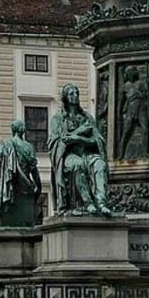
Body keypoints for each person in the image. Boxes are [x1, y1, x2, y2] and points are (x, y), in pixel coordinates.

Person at [47, 84, 111, 215]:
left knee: (100, 164)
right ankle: (88, 203)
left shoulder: (87, 118)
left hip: (88, 153)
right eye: (71, 94)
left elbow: (98, 140)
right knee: (77, 165)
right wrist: (78, 133)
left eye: (77, 93)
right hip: (69, 155)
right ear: (65, 97)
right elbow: (56, 142)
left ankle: (101, 202)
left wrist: (79, 139)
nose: (75, 96)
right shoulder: (58, 119)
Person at [0, 120, 41, 228]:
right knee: (26, 223)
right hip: (25, 187)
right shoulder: (29, 147)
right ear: (22, 130)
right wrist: (38, 185)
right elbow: (34, 170)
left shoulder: (4, 145)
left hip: (9, 186)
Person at [118, 65, 149, 159]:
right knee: (126, 132)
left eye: (132, 72)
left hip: (141, 109)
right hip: (130, 109)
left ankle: (145, 152)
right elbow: (121, 101)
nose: (131, 74)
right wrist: (119, 114)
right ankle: (121, 153)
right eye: (128, 73)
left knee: (145, 130)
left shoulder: (141, 83)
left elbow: (146, 96)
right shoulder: (126, 86)